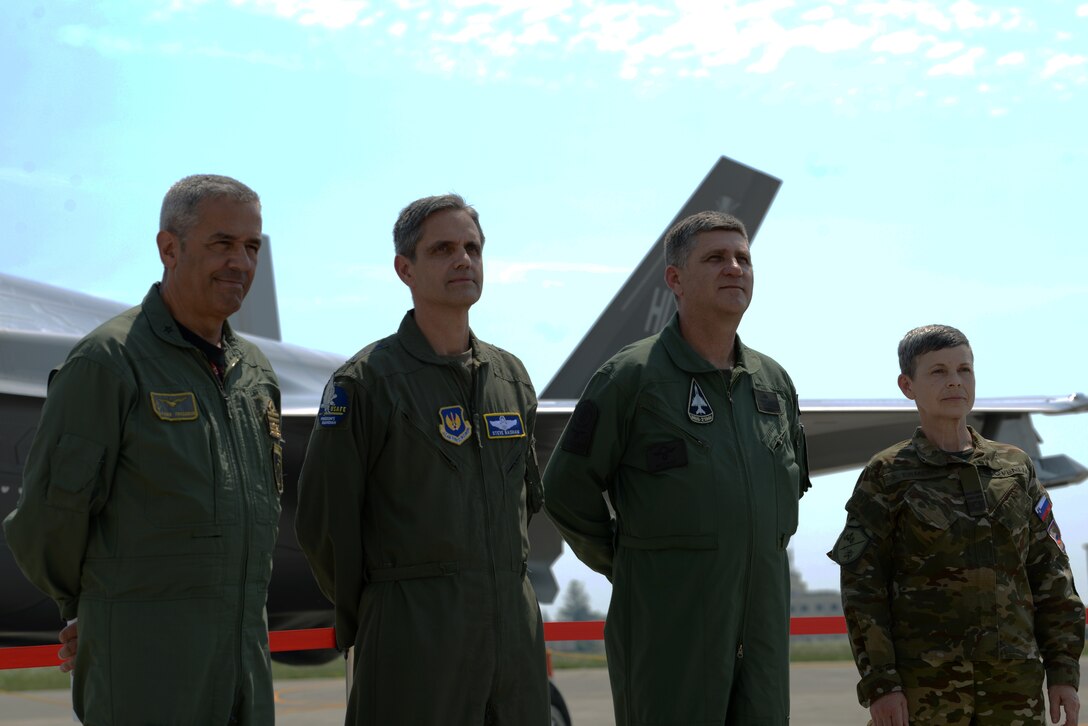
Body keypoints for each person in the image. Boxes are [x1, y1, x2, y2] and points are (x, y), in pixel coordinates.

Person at [3, 174, 282, 725]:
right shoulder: (109, 362)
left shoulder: (256, 374)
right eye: (222, 243)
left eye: (251, 247)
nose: (241, 263)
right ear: (169, 248)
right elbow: (46, 520)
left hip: (243, 668)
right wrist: (93, 612)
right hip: (147, 670)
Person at [542, 210, 811, 725]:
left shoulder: (773, 384)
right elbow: (563, 490)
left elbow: (785, 493)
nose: (734, 268)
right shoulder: (629, 378)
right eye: (715, 258)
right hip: (668, 636)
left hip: (762, 642)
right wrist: (636, 568)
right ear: (675, 280)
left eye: (743, 258)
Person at [294, 194, 549, 725]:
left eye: (472, 248)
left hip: (512, 643)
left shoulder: (511, 378)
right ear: (404, 269)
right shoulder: (366, 383)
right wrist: (384, 614)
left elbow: (522, 504)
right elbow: (323, 523)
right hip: (412, 640)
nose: (463, 260)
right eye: (443, 249)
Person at [829, 324, 1084, 726]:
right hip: (923, 696)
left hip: (1013, 694)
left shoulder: (1015, 469)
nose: (955, 382)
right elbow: (863, 588)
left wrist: (1064, 672)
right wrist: (882, 684)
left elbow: (1051, 573)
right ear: (907, 385)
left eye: (964, 370)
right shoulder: (886, 475)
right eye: (938, 372)